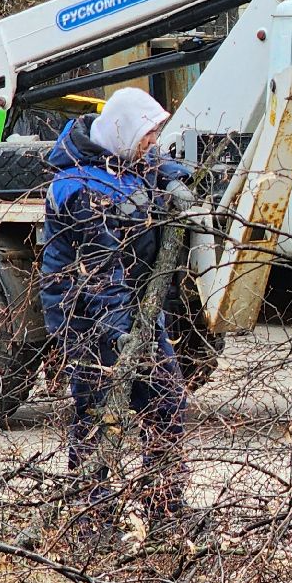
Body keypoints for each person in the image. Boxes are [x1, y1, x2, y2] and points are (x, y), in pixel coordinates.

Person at [39, 87, 194, 546]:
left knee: (167, 402)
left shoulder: (119, 160)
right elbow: (102, 275)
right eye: (147, 133)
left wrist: (174, 178)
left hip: (136, 313)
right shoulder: (81, 189)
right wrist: (124, 339)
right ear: (124, 130)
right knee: (96, 412)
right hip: (87, 318)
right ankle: (91, 520)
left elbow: (152, 166)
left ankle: (165, 506)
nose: (152, 142)